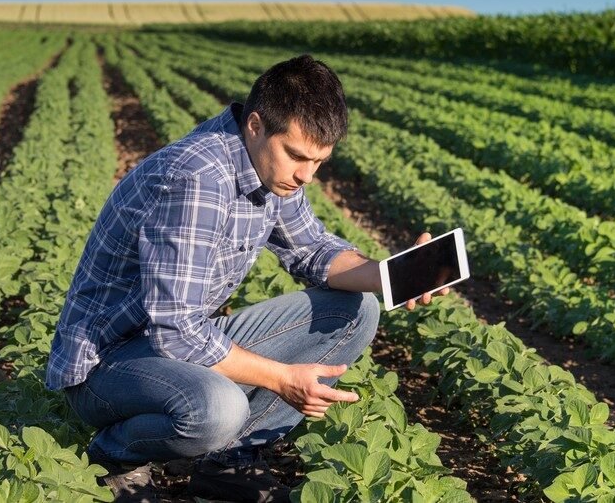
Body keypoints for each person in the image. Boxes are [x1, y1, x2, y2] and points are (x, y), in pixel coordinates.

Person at [44, 54, 448, 503]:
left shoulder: (269, 169)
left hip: (173, 344)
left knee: (355, 311)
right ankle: (115, 456)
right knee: (218, 408)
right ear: (255, 125)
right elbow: (176, 334)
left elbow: (312, 250)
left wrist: (394, 273)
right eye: (296, 155)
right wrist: (281, 379)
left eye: (319, 161)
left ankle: (227, 464)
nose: (306, 176)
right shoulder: (198, 179)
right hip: (108, 365)